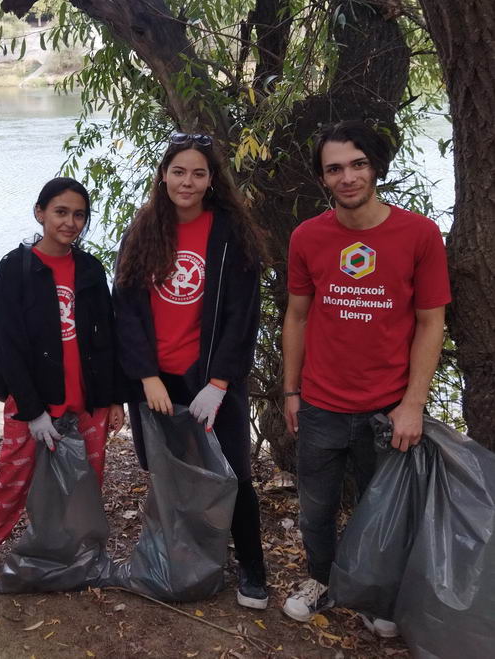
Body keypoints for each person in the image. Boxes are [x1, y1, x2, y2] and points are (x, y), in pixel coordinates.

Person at [281, 120, 450, 636]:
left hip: (388, 407)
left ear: (375, 166)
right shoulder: (308, 237)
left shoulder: (418, 234)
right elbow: (298, 317)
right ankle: (319, 580)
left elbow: (430, 323)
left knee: (386, 512)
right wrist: (291, 390)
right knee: (316, 508)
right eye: (335, 169)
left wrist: (414, 403)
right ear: (323, 179)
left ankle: (379, 596)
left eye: (357, 164)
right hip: (322, 405)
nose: (348, 177)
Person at [112, 133, 268, 609]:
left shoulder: (230, 233)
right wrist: (146, 375)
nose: (188, 181)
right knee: (170, 472)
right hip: (159, 380)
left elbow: (244, 314)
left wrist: (220, 383)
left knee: (234, 473)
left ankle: (253, 570)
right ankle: (185, 556)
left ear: (211, 179)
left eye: (198, 173)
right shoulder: (143, 231)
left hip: (213, 380)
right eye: (179, 171)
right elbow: (126, 310)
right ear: (163, 176)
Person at [0, 177, 126, 584]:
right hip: (32, 399)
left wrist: (113, 400)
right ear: (40, 213)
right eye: (61, 212)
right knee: (12, 476)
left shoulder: (89, 269)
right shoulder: (14, 269)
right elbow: (11, 346)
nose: (70, 222)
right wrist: (33, 411)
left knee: (87, 476)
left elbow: (106, 338)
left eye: (79, 215)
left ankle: (80, 545)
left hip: (86, 396)